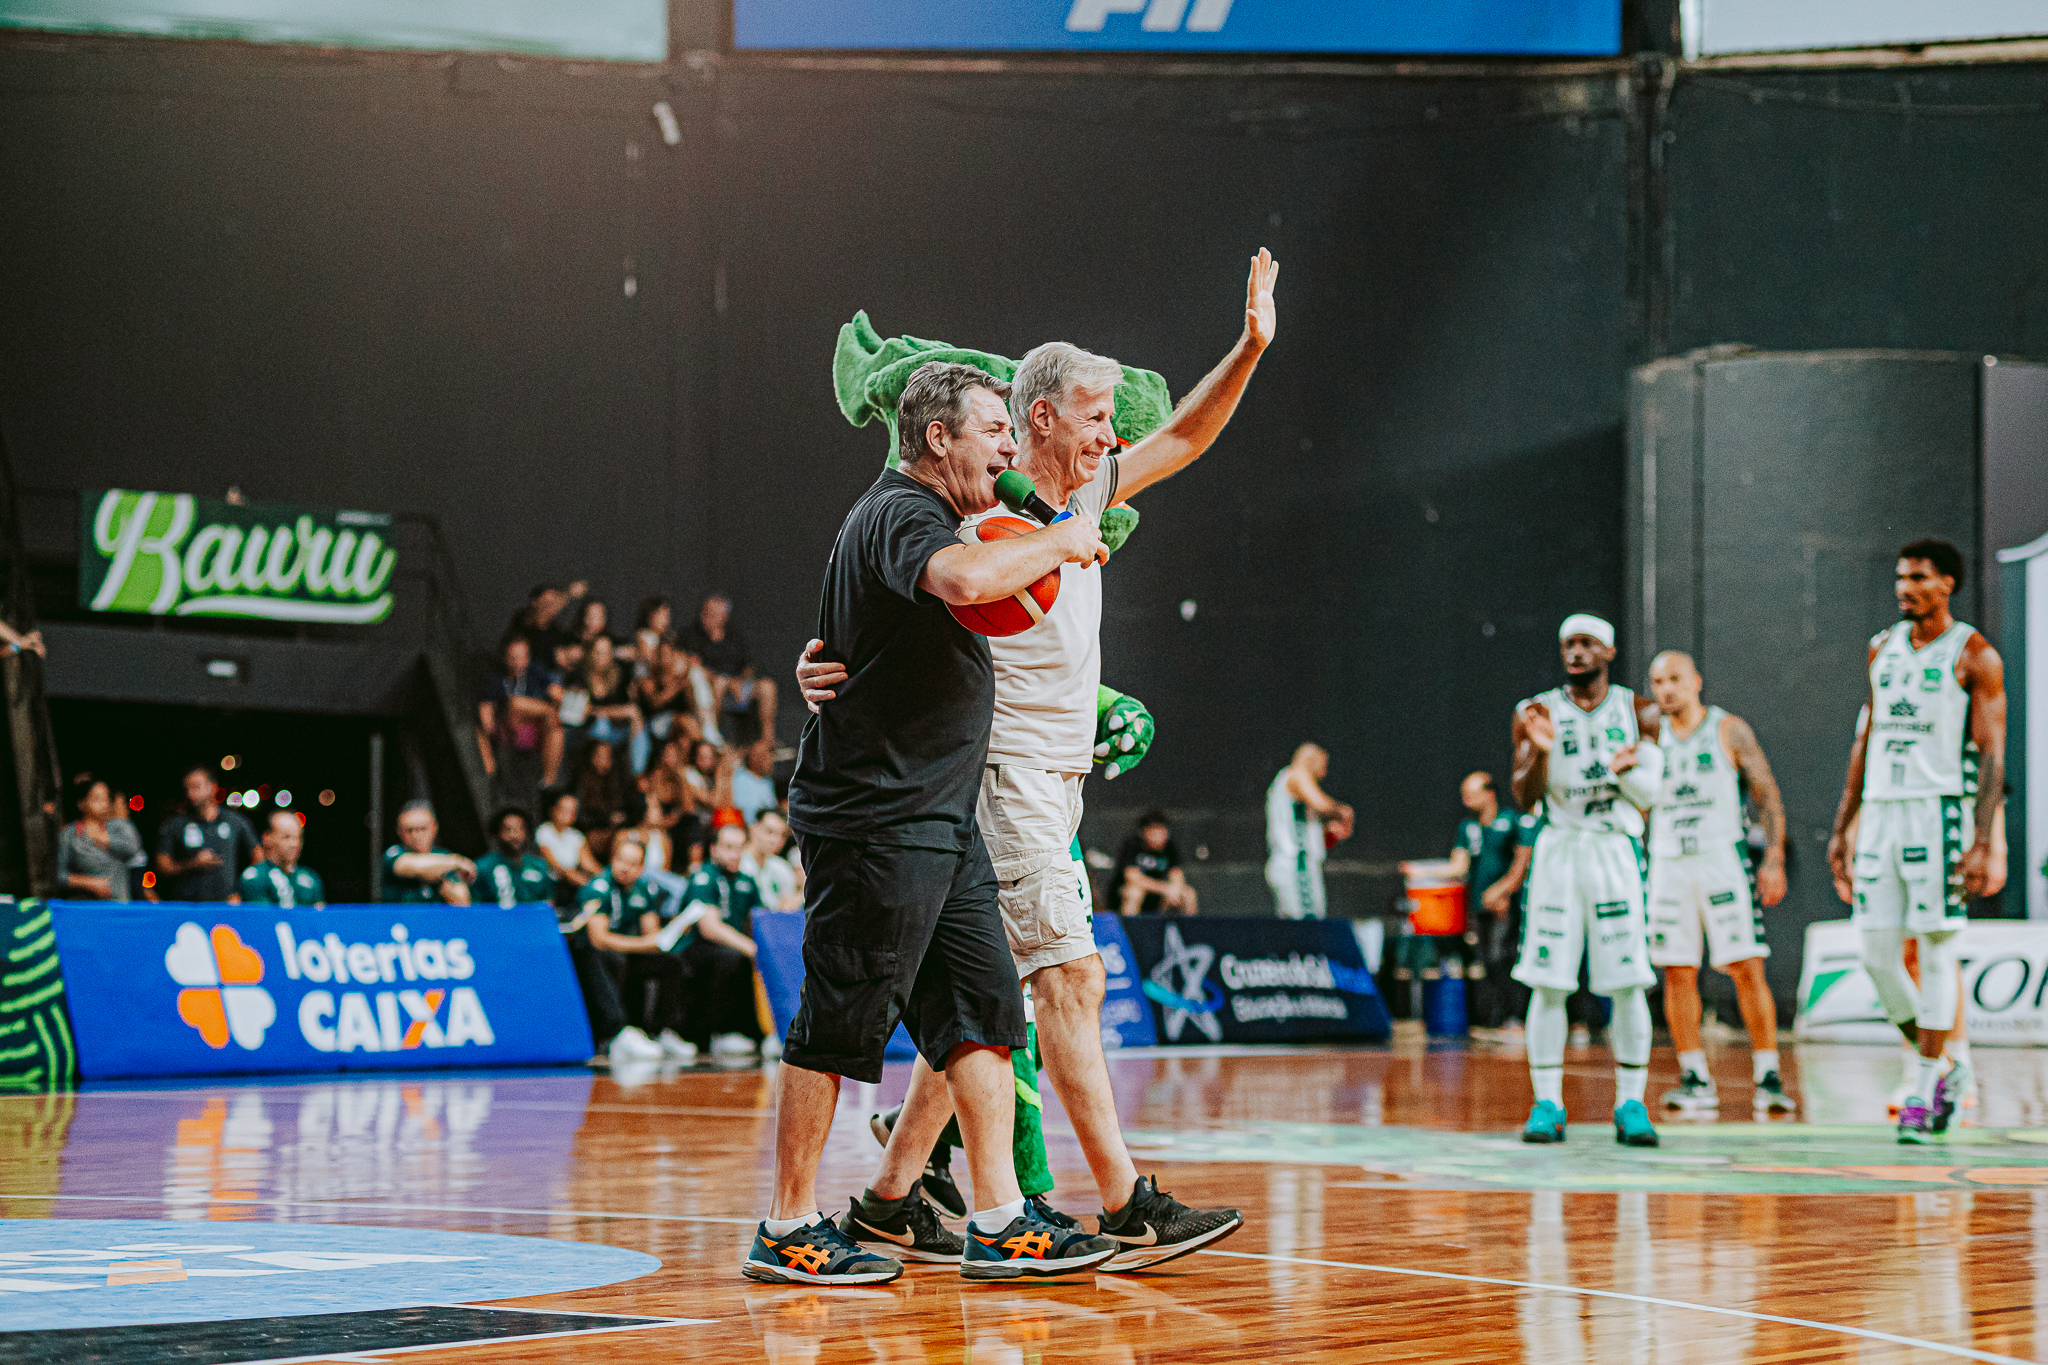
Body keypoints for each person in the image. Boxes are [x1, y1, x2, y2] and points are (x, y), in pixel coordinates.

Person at [800, 255, 1275, 1274]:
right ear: (1041, 417)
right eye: (1095, 416)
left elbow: (1185, 436)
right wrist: (823, 664)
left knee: (979, 1010)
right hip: (998, 777)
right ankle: (1125, 1202)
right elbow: (917, 590)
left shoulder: (1084, 494)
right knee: (1071, 979)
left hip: (1055, 780)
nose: (1112, 433)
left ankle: (890, 1200)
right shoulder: (982, 521)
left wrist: (1248, 348)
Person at [752, 360, 1116, 1287]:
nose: (1009, 447)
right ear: (937, 438)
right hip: (875, 817)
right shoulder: (901, 514)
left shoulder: (939, 519)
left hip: (941, 819)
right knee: (839, 1018)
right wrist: (1063, 538)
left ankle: (997, 1219)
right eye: (995, 430)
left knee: (981, 1012)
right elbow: (960, 579)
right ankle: (787, 1225)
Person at [1826, 539, 2006, 1143]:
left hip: (1939, 811)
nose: (1905, 588)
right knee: (1876, 956)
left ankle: (1925, 1088)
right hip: (1881, 812)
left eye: (1919, 578)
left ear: (1947, 584)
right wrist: (1843, 826)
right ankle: (1946, 1068)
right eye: (1901, 577)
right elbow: (1866, 740)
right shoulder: (1881, 647)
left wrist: (1983, 840)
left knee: (1934, 952)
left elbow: (1992, 755)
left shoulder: (1974, 654)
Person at [1511, 613, 1665, 1148]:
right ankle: (1547, 1103)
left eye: (1587, 643)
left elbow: (1651, 796)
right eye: (1568, 644)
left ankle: (1631, 1103)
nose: (1575, 652)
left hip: (1613, 850)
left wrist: (1628, 773)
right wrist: (1542, 751)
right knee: (1547, 980)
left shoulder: (1640, 711)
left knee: (1628, 981)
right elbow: (1525, 796)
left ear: (1609, 651)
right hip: (1559, 851)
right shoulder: (1535, 711)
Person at [1644, 651, 1794, 1116]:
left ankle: (1768, 1076)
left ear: (1696, 681)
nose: (1666, 689)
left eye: (1674, 679)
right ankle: (1693, 1076)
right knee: (1677, 971)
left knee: (1747, 966)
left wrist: (1773, 858)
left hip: (1720, 858)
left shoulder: (1727, 729)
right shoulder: (1648, 735)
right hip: (1668, 861)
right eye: (1657, 682)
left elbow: (1767, 793)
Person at [576, 835, 695, 1063]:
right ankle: (618, 1033)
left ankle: (662, 1031)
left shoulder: (644, 889)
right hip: (595, 955)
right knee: (607, 957)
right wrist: (645, 944)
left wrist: (673, 932)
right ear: (612, 860)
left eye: (633, 864)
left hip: (627, 952)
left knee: (672, 963)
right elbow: (599, 939)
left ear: (641, 869)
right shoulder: (598, 887)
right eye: (621, 860)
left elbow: (652, 934)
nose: (625, 867)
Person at [1436, 773, 1535, 1033]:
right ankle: (1495, 1019)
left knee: (1505, 956)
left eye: (1471, 793)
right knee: (1486, 960)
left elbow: (1522, 860)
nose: (1466, 799)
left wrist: (1503, 890)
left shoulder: (1511, 820)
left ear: (1489, 792)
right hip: (1479, 906)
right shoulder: (1468, 827)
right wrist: (1420, 870)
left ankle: (1517, 1018)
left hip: (1506, 904)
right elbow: (1458, 865)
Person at [668, 823, 765, 1057]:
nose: (735, 854)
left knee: (754, 960)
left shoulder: (747, 881)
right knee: (731, 958)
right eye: (728, 847)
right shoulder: (703, 877)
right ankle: (719, 1032)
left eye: (740, 848)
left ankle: (763, 1033)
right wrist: (751, 948)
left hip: (733, 947)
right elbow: (709, 929)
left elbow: (758, 922)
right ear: (714, 849)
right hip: (695, 947)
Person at [1265, 743, 1355, 920]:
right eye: (1323, 765)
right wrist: (1343, 811)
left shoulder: (1287, 786)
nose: (1324, 773)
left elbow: (1301, 825)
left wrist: (1327, 831)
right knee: (1309, 924)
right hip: (1296, 865)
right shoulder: (1295, 776)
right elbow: (1320, 803)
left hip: (1293, 864)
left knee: (1296, 928)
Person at [683, 593, 780, 747]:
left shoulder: (734, 636)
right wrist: (726, 681)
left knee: (767, 687)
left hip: (737, 688)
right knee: (720, 684)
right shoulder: (692, 636)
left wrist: (739, 681)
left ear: (724, 617)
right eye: (705, 612)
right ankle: (715, 742)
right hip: (713, 687)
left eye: (712, 614)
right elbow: (695, 668)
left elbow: (749, 665)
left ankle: (768, 743)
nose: (705, 617)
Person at [478, 635, 564, 806]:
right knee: (516, 703)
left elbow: (557, 691)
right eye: (513, 657)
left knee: (557, 731)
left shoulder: (536, 671)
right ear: (505, 658)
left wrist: (555, 694)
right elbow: (486, 708)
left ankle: (548, 782)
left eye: (522, 657)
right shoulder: (497, 679)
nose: (518, 662)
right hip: (511, 727)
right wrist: (489, 730)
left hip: (535, 729)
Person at [155, 765, 258, 902]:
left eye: (196, 787)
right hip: (187, 905)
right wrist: (193, 863)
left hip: (225, 904)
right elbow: (162, 865)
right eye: (187, 789)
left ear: (213, 787)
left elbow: (258, 855)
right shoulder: (175, 824)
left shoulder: (234, 821)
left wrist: (240, 891)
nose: (190, 794)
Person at [57, 776, 141, 901]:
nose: (104, 804)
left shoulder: (119, 828)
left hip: (118, 903)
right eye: (97, 799)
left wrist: (106, 841)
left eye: (106, 799)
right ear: (81, 803)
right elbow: (58, 876)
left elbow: (132, 850)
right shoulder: (69, 835)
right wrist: (91, 883)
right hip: (83, 903)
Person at [383, 801, 475, 905]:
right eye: (409, 830)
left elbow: (459, 894)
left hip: (435, 914)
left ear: (434, 828)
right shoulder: (394, 853)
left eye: (422, 829)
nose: (416, 835)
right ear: (399, 831)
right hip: (401, 914)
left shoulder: (444, 856)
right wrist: (456, 862)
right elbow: (406, 865)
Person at [1114, 810, 1196, 916]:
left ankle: (1187, 926)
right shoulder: (1132, 845)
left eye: (1162, 833)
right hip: (1135, 890)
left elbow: (1177, 875)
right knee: (1134, 893)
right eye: (1154, 833)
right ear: (1145, 832)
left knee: (1189, 893)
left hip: (1161, 895)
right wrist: (1165, 888)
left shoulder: (1170, 846)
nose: (1159, 837)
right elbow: (1133, 878)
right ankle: (1131, 926)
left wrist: (1175, 890)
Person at [238, 811, 326, 907]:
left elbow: (320, 914)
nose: (294, 844)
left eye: (298, 838)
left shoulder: (310, 878)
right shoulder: (255, 877)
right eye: (287, 837)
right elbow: (261, 915)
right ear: (267, 838)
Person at [474, 806, 557, 908]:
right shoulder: (483, 867)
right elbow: (475, 907)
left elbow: (548, 903)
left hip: (532, 917)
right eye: (507, 830)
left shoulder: (539, 865)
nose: (514, 835)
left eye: (519, 829)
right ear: (497, 833)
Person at [537, 790, 602, 906]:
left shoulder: (577, 836)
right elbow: (553, 863)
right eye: (564, 809)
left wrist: (604, 877)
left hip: (573, 885)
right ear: (553, 810)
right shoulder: (544, 830)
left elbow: (588, 863)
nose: (568, 814)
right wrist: (576, 877)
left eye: (572, 811)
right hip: (551, 884)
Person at [742, 809, 802, 911]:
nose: (775, 840)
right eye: (769, 832)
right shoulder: (739, 865)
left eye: (781, 835)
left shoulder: (781, 867)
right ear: (753, 829)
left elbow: (789, 903)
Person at [723, 739, 781, 826]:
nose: (771, 761)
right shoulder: (739, 778)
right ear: (754, 758)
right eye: (765, 756)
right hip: (747, 827)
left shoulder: (767, 783)